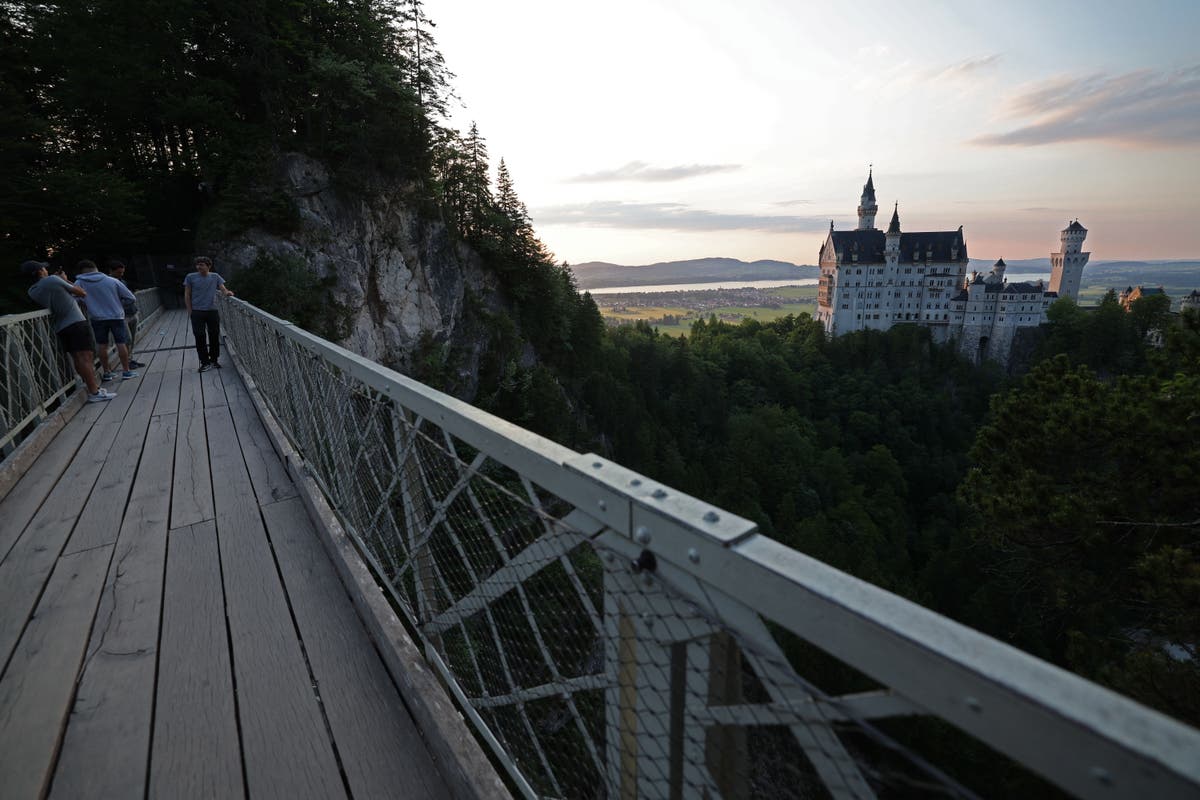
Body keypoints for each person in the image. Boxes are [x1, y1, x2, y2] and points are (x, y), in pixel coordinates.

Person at [21, 260, 116, 403]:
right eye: (44, 269)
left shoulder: (32, 291)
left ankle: (91, 387)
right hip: (76, 322)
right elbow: (81, 293)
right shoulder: (53, 280)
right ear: (40, 272)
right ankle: (94, 392)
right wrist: (64, 280)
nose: (46, 270)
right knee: (86, 357)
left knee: (77, 358)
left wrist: (59, 281)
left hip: (61, 326)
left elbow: (55, 292)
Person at [74, 259, 139, 381]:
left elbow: (75, 300)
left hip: (97, 318)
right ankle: (126, 371)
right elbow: (131, 298)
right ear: (95, 268)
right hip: (116, 316)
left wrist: (87, 304)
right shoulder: (111, 280)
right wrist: (119, 304)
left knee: (101, 345)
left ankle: (107, 372)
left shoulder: (79, 283)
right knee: (121, 342)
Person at [183, 255, 234, 373]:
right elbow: (187, 294)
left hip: (212, 311)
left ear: (208, 266)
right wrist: (190, 311)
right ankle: (205, 362)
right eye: (197, 264)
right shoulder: (190, 277)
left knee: (214, 335)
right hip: (197, 311)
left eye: (201, 265)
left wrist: (228, 293)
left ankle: (214, 360)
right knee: (199, 336)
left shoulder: (215, 277)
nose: (198, 267)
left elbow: (223, 289)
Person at [106, 259, 144, 368]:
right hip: (121, 315)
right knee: (127, 339)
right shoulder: (108, 283)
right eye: (118, 272)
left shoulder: (122, 281)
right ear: (111, 271)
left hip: (132, 312)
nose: (121, 274)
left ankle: (130, 359)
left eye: (122, 272)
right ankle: (127, 361)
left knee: (131, 338)